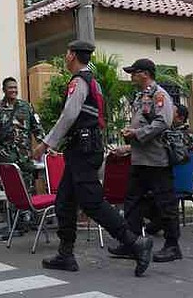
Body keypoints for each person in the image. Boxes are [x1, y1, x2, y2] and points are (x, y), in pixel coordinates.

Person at [32, 41, 153, 277]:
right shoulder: (92, 81)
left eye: (67, 53)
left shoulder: (79, 81)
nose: (65, 57)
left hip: (83, 149)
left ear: (73, 56)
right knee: (64, 202)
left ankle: (135, 243)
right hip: (84, 148)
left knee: (92, 202)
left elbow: (69, 115)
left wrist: (46, 144)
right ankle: (65, 254)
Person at [113, 58, 182, 263]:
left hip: (156, 159)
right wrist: (130, 139)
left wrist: (137, 133)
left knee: (165, 203)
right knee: (132, 202)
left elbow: (162, 122)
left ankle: (172, 246)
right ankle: (132, 243)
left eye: (134, 72)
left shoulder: (159, 95)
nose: (131, 76)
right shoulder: (141, 96)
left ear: (145, 73)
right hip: (140, 158)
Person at [0, 77, 45, 233]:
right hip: (6, 156)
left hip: (24, 155)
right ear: (4, 90)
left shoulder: (26, 107)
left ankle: (27, 218)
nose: (13, 90)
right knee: (11, 189)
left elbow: (37, 128)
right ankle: (13, 221)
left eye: (15, 88)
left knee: (27, 186)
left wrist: (45, 145)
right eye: (10, 88)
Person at [142, 103, 193, 236]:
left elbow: (162, 152)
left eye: (170, 112)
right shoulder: (188, 135)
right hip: (182, 183)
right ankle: (158, 222)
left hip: (173, 181)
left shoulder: (179, 135)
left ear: (179, 117)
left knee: (140, 191)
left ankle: (158, 222)